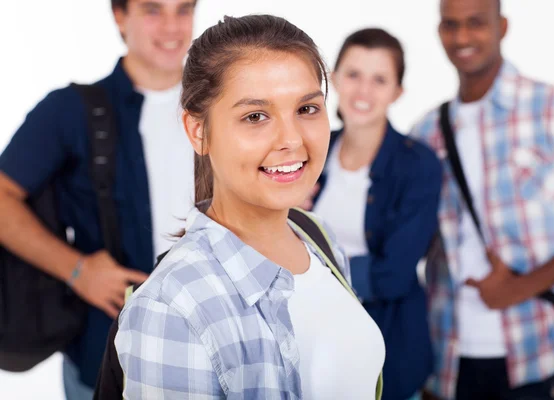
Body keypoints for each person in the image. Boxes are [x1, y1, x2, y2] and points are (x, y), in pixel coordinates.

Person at [115, 14, 386, 399]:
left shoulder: (317, 238)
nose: (291, 140)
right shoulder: (172, 308)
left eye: (307, 109)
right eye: (255, 116)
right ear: (198, 131)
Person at [0, 0, 197, 398]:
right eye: (153, 10)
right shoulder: (70, 109)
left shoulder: (227, 105)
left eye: (184, 9)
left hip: (212, 346)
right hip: (106, 354)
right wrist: (76, 269)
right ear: (120, 16)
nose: (172, 27)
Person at [411, 0, 554, 399]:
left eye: (476, 23)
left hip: (539, 353)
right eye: (451, 25)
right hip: (446, 360)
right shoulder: (426, 132)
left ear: (503, 26)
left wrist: (521, 287)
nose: (462, 37)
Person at [308, 28, 442, 400]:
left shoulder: (419, 166)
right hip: (313, 347)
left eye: (379, 79)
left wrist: (307, 271)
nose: (363, 91)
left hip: (390, 351)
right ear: (333, 79)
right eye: (353, 75)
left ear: (397, 92)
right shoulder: (307, 153)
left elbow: (394, 275)